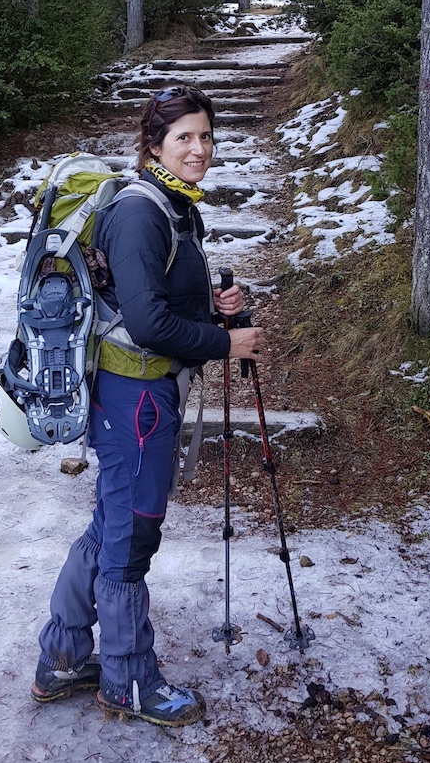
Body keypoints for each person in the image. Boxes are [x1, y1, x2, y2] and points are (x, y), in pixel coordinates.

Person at [31, 85, 265, 726]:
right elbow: (148, 321)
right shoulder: (141, 211)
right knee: (131, 535)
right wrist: (225, 340)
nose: (199, 148)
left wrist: (212, 305)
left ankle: (61, 658)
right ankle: (129, 681)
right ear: (154, 144)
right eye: (184, 136)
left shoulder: (176, 206)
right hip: (135, 397)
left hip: (143, 394)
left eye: (206, 136)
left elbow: (161, 298)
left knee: (111, 523)